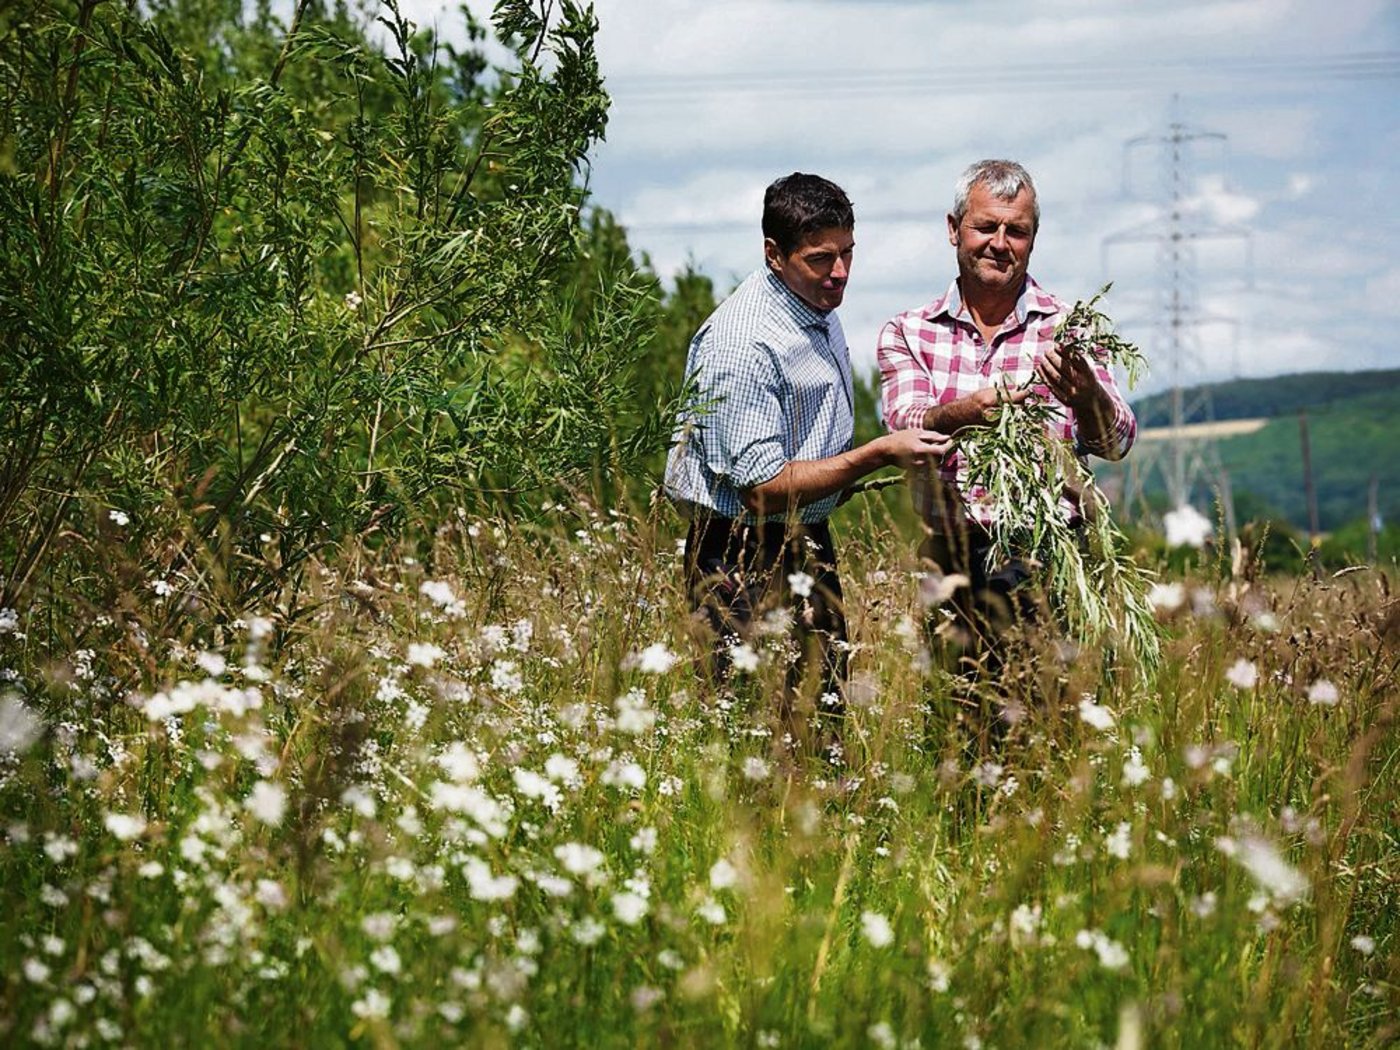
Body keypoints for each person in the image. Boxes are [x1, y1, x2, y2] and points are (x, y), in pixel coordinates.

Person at [665, 172, 949, 757]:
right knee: (758, 744)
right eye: (822, 259)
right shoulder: (743, 343)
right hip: (739, 558)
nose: (840, 273)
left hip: (802, 540)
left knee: (822, 731)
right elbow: (762, 490)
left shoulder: (810, 300)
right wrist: (874, 455)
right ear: (774, 254)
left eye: (848, 254)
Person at [877, 159, 1137, 677]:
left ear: (1033, 239)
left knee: (1049, 722)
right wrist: (965, 412)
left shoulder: (1069, 329)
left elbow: (1117, 441)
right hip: (952, 559)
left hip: (1049, 559)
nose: (1000, 242)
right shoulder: (909, 331)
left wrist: (1087, 399)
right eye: (986, 226)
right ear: (954, 230)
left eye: (1016, 231)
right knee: (959, 724)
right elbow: (904, 424)